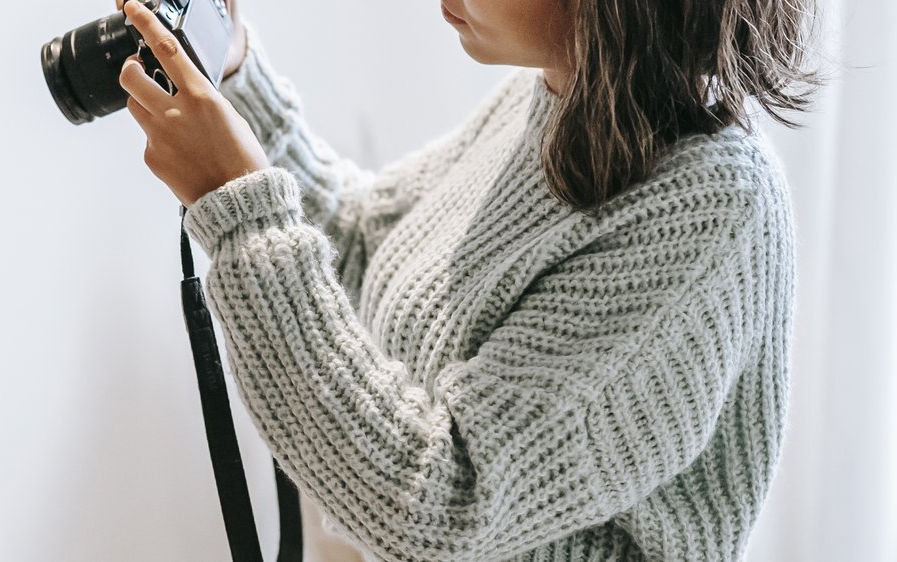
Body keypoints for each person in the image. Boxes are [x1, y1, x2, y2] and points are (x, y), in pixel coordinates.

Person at [116, 0, 820, 559]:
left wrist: (242, 211)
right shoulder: (561, 94)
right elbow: (367, 250)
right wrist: (240, 82)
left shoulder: (709, 207)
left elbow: (444, 506)